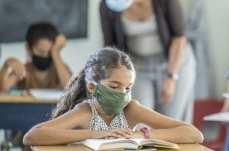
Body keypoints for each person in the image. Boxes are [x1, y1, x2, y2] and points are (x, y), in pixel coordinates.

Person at [23, 47, 203, 145]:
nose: (123, 94)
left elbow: (194, 134)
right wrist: (96, 134)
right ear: (93, 87)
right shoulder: (85, 112)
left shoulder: (131, 109)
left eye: (128, 88)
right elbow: (32, 136)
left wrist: (141, 135)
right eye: (114, 86)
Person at [99, 0, 196, 123]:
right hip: (137, 66)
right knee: (139, 120)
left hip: (175, 62)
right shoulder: (106, 7)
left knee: (170, 121)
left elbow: (178, 37)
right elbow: (111, 47)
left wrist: (171, 77)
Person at [0, 22, 72, 91]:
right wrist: (6, 65)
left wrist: (55, 52)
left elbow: (70, 87)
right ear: (29, 48)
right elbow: (3, 88)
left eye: (50, 52)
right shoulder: (24, 70)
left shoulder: (60, 69)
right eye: (41, 52)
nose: (46, 55)